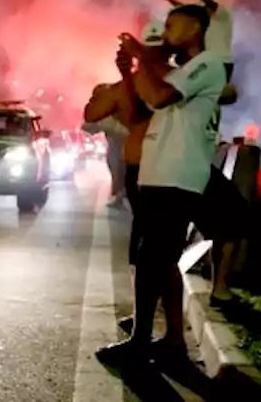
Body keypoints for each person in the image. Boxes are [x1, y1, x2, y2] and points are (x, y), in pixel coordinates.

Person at [97, 5, 230, 367]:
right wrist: (130, 72)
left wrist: (142, 57)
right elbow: (145, 109)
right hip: (159, 174)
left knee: (151, 258)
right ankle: (173, 341)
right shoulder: (183, 70)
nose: (167, 31)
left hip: (177, 176)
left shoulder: (208, 63)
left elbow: (159, 97)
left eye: (172, 24)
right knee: (161, 259)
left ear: (195, 26)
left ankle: (141, 341)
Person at [84, 19, 162, 334]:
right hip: (139, 171)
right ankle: (144, 322)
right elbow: (91, 115)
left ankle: (149, 329)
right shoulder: (131, 84)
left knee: (157, 251)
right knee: (142, 247)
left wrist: (129, 78)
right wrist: (122, 80)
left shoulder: (172, 83)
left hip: (164, 173)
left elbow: (146, 110)